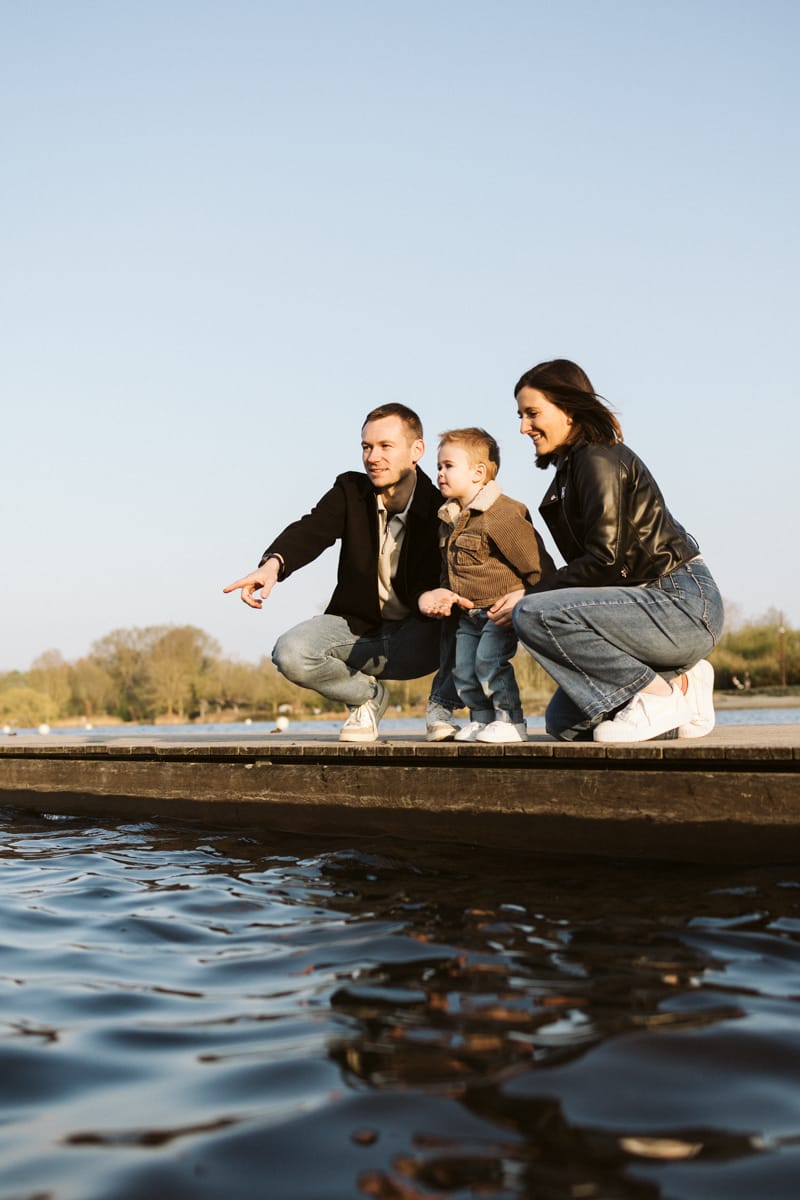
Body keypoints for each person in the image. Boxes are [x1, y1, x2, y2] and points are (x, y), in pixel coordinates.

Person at [488, 358, 724, 743]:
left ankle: (657, 697)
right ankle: (681, 687)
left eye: (532, 413)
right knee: (565, 723)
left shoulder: (597, 457)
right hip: (640, 610)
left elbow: (605, 561)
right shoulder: (570, 472)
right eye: (520, 415)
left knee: (532, 611)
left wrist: (528, 596)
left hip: (680, 602)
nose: (523, 427)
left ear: (569, 409)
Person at [223, 403, 461, 743]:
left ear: (416, 451)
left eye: (385, 446)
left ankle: (443, 706)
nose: (373, 456)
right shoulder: (351, 492)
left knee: (475, 617)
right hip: (359, 633)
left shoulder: (441, 506)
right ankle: (366, 697)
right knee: (290, 652)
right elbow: (313, 528)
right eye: (366, 447)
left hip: (421, 638)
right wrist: (273, 564)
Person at [418, 428, 555, 743]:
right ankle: (481, 719)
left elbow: (537, 565)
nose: (439, 473)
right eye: (438, 466)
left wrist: (530, 599)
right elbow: (447, 571)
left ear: (478, 472)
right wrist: (445, 596)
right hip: (467, 614)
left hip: (498, 612)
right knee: (463, 669)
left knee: (489, 663)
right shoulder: (448, 520)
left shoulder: (502, 513)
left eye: (448, 466)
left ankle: (511, 720)